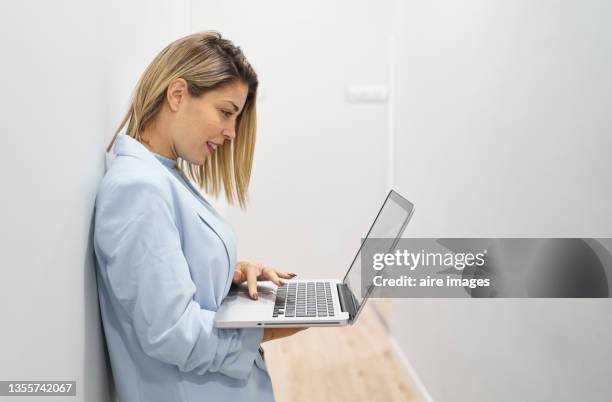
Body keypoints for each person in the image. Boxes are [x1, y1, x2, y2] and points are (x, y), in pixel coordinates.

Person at [93, 31, 305, 402]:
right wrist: (271, 328)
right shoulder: (137, 189)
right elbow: (173, 332)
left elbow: (167, 274)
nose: (231, 133)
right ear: (177, 94)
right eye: (226, 113)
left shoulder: (162, 174)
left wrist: (232, 273)